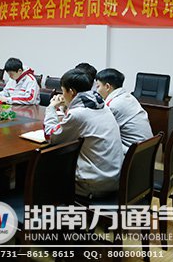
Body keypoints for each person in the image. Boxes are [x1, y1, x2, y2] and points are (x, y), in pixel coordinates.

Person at [44, 68, 123, 198]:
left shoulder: (79, 114)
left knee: (43, 169)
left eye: (63, 91)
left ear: (71, 92)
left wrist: (51, 108)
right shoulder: (101, 105)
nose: (62, 95)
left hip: (94, 185)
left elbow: (51, 136)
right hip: (114, 177)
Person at [95, 68, 153, 153]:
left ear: (107, 87)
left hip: (133, 153)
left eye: (98, 86)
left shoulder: (114, 105)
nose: (97, 91)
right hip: (147, 148)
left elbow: (99, 129)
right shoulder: (128, 97)